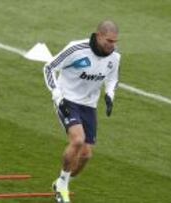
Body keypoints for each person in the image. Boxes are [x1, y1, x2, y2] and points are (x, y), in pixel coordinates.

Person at [43, 20, 121, 203]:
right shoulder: (76, 49)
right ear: (99, 35)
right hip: (67, 99)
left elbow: (112, 79)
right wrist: (57, 96)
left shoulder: (115, 57)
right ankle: (62, 187)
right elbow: (49, 68)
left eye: (115, 42)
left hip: (89, 105)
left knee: (86, 155)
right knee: (77, 140)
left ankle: (62, 182)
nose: (113, 45)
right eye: (109, 41)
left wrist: (110, 95)